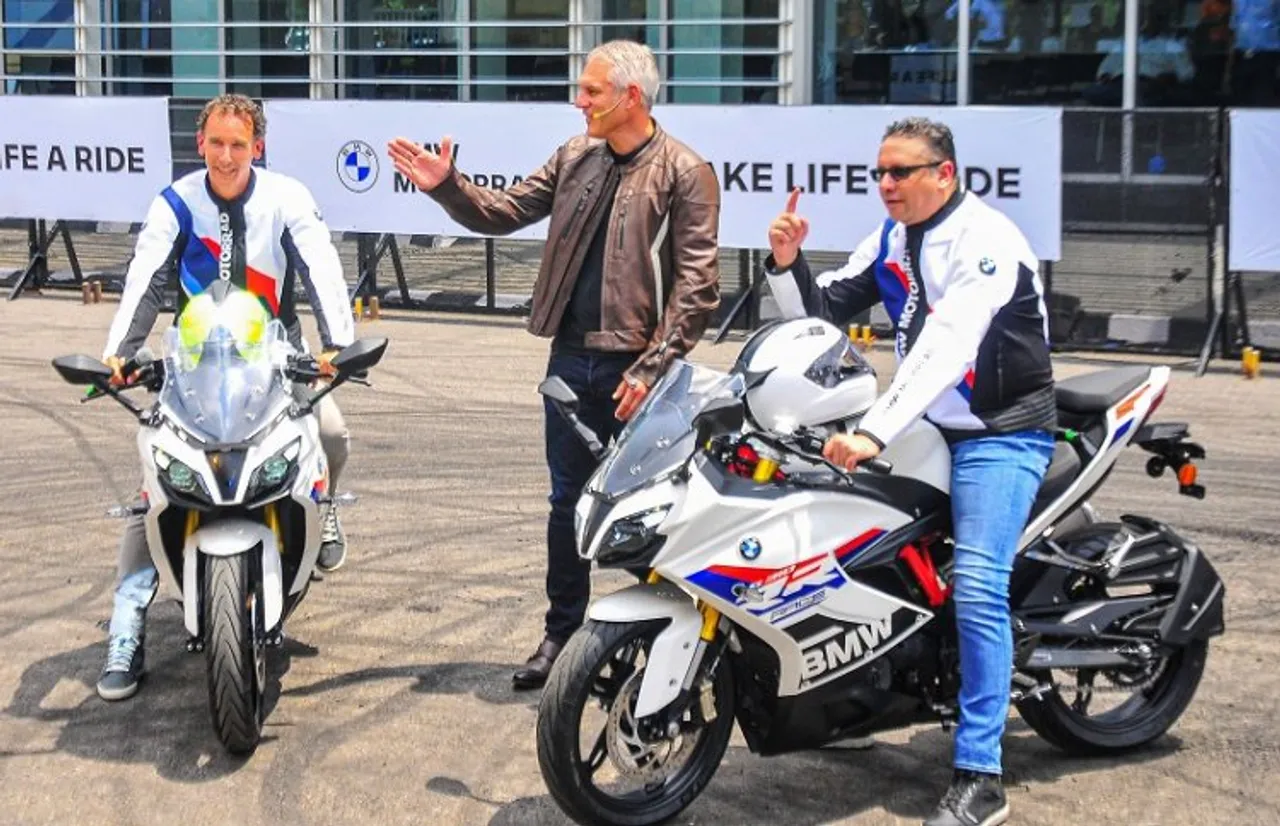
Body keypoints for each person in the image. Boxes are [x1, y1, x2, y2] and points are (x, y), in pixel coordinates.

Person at [387, 39, 721, 691]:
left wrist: (652, 367)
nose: (579, 101)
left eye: (591, 91)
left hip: (641, 376)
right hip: (570, 361)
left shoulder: (686, 170)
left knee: (650, 512)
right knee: (568, 506)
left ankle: (657, 646)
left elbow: (699, 286)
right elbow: (506, 211)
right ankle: (562, 637)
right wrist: (446, 187)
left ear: (631, 97)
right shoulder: (577, 156)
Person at [764, 116, 1056, 826]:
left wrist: (872, 431)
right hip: (925, 426)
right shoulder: (894, 237)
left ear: (944, 174)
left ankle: (981, 774)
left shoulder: (985, 241)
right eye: (880, 173)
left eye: (901, 172)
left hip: (998, 433)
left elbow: (951, 344)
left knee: (980, 585)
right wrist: (784, 265)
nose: (885, 184)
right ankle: (856, 695)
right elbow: (822, 314)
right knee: (842, 534)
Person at [96, 93, 356, 701]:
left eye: (239, 144)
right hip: (192, 361)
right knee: (154, 484)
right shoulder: (176, 202)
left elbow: (321, 267)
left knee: (335, 433)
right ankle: (127, 627)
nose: (227, 155)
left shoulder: (285, 197)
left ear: (257, 147)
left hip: (276, 353)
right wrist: (118, 353)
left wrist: (338, 346)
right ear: (200, 144)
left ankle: (326, 504)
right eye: (217, 143)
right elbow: (146, 277)